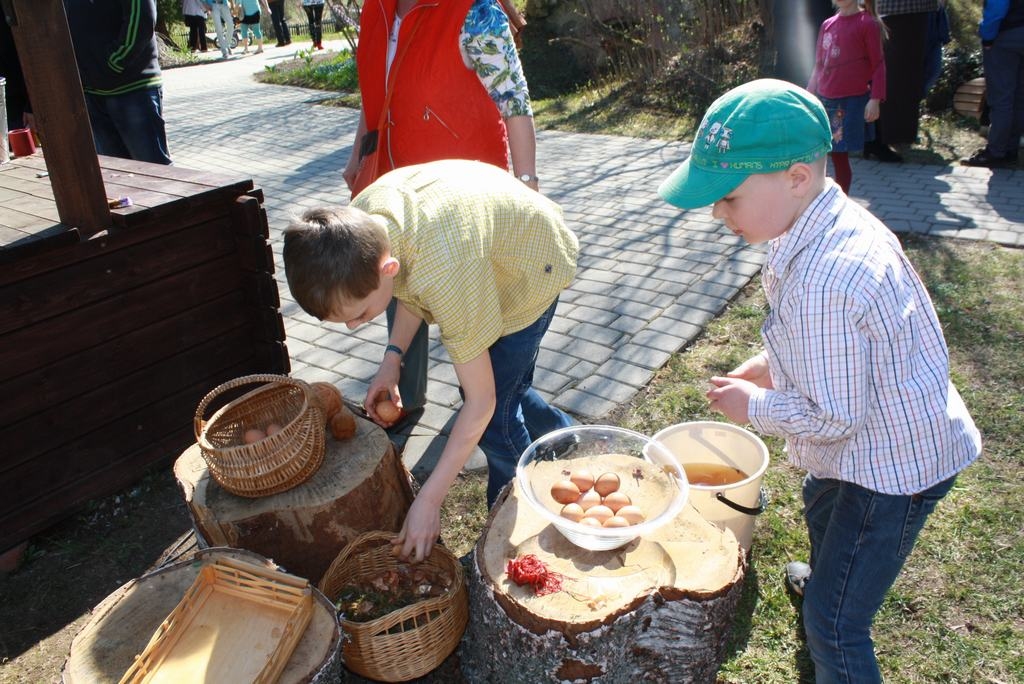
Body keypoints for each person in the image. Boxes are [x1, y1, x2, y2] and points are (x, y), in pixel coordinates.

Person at [658, 79, 981, 683]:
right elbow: (825, 345)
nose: (717, 212)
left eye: (727, 197)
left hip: (892, 469)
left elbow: (834, 418)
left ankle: (831, 608)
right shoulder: (810, 225)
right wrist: (770, 364)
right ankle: (829, 578)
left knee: (836, 628)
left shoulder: (828, 277)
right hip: (865, 445)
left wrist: (753, 404)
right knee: (821, 501)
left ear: (796, 178)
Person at [283, 159, 577, 561]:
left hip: (529, 269)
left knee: (494, 419)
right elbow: (408, 285)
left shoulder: (446, 271)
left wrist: (430, 500)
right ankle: (566, 435)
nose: (353, 328)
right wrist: (392, 359)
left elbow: (480, 402)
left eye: (361, 314)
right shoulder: (366, 220)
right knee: (507, 388)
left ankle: (508, 533)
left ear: (385, 268)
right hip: (483, 244)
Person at [342, 0, 540, 428]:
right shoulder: (376, 9)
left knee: (480, 337)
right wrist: (359, 151)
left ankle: (493, 410)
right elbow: (377, 89)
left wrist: (527, 187)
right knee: (398, 289)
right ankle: (401, 396)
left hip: (465, 208)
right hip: (398, 196)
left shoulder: (475, 11)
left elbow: (516, 106)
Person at [64, 0, 172, 165]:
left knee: (155, 171)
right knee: (117, 175)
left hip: (132, 89)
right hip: (91, 92)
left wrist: (115, 62)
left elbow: (143, 17)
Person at [807, 0, 887, 193]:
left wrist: (875, 99)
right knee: (822, 153)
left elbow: (878, 64)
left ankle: (840, 203)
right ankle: (820, 200)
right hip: (824, 100)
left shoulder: (867, 23)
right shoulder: (828, 24)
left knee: (839, 155)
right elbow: (819, 64)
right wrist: (808, 94)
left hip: (848, 102)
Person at [863, 0, 940, 163]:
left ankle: (878, 138)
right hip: (896, 13)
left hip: (904, 12)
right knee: (893, 77)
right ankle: (877, 139)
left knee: (897, 77)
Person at [961, 0, 1024, 169]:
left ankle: (996, 151)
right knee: (1019, 98)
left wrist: (987, 36)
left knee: (1002, 98)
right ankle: (1011, 149)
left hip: (1007, 35)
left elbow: (998, 6)